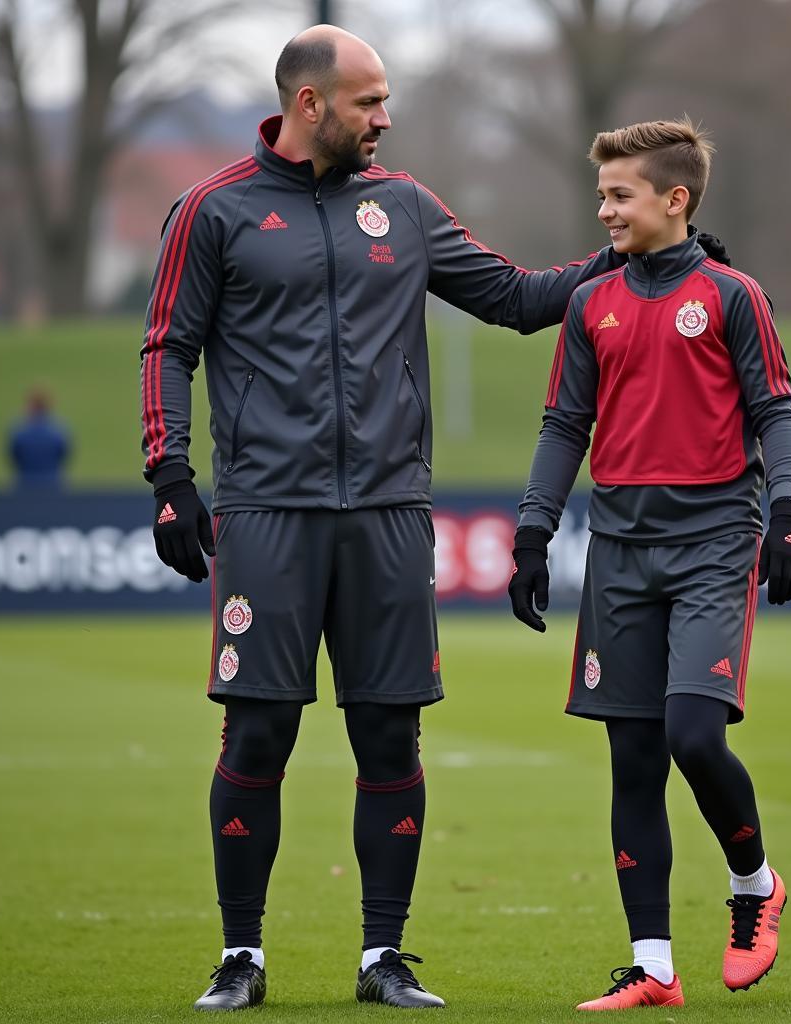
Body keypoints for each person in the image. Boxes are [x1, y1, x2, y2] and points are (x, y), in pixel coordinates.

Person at [139, 25, 645, 1014]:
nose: (384, 118)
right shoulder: (212, 210)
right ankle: (240, 955)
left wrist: (623, 254)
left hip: (388, 514)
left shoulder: (403, 206)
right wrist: (169, 474)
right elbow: (168, 345)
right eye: (369, 102)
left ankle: (384, 957)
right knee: (257, 736)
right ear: (310, 103)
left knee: (389, 736)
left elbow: (510, 296)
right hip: (266, 512)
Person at [507, 118, 791, 1010]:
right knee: (633, 760)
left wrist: (788, 514)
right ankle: (654, 969)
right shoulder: (588, 304)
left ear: (674, 200)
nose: (603, 210)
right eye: (601, 194)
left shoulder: (730, 296)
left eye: (619, 195)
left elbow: (777, 411)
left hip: (715, 541)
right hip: (619, 553)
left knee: (692, 736)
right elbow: (566, 424)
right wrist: (534, 534)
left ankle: (755, 885)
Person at [8, 388, 70, 487]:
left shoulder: (19, 431)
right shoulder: (58, 430)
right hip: (53, 484)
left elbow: (14, 455)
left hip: (25, 484)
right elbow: (64, 454)